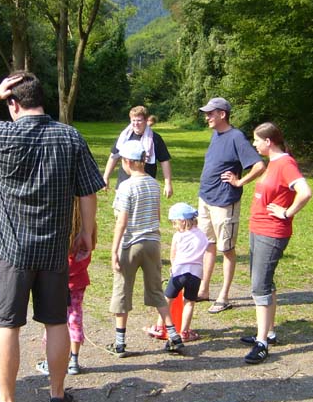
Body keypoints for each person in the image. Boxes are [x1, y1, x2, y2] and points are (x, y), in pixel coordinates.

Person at [0, 72, 104, 402]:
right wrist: (86, 231)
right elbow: (87, 190)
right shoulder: (69, 137)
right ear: (41, 99)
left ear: (13, 103)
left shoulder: (2, 134)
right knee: (56, 321)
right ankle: (57, 397)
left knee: (8, 325)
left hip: (11, 250)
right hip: (54, 249)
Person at [241, 122, 312, 364]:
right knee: (265, 282)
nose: (254, 144)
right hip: (259, 229)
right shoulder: (273, 162)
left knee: (259, 287)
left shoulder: (285, 163)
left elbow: (305, 192)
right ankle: (269, 332)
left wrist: (287, 212)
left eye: (256, 140)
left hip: (271, 233)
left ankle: (261, 343)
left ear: (268, 141)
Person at [107, 140, 184, 357]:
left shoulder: (126, 186)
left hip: (130, 244)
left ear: (128, 162)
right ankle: (174, 336)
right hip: (152, 243)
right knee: (156, 290)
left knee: (122, 290)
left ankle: (120, 343)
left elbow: (121, 221)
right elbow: (157, 214)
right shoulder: (154, 184)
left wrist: (114, 250)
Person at [196, 97, 266, 313]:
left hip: (224, 201)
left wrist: (240, 182)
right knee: (207, 244)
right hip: (206, 198)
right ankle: (203, 290)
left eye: (210, 113)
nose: (207, 117)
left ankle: (224, 296)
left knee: (226, 248)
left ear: (222, 114)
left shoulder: (236, 137)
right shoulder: (216, 135)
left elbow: (259, 165)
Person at [35, 198, 96, 376]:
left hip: (58, 280)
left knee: (53, 321)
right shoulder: (89, 228)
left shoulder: (61, 228)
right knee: (75, 318)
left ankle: (51, 361)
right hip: (78, 282)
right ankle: (74, 360)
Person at [144, 202, 209, 342]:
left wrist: (173, 267)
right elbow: (204, 252)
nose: (174, 226)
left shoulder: (178, 236)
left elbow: (173, 254)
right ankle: (184, 332)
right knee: (189, 302)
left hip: (179, 272)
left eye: (175, 223)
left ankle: (160, 326)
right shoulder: (202, 236)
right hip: (196, 274)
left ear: (183, 221)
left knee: (167, 299)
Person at [103, 106, 173, 198]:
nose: (136, 123)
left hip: (145, 185)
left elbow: (164, 161)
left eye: (139, 120)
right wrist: (106, 177)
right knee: (121, 207)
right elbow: (113, 156)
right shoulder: (124, 137)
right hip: (124, 182)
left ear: (146, 120)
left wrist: (168, 183)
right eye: (133, 120)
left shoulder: (155, 139)